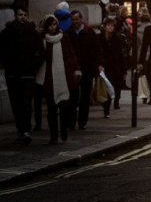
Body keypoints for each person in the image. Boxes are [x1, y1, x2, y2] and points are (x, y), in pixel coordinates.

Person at [0, 8, 43, 145]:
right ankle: (20, 129)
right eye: (20, 15)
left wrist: (33, 65)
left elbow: (41, 52)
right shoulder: (7, 33)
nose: (23, 17)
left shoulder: (33, 33)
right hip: (12, 73)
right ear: (15, 16)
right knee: (16, 103)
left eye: (25, 15)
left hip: (28, 74)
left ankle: (25, 131)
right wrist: (7, 63)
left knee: (26, 103)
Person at [35, 15, 80, 145]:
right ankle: (53, 135)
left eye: (55, 24)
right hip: (48, 77)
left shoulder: (64, 38)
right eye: (50, 25)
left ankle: (63, 128)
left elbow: (71, 53)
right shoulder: (42, 40)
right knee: (51, 109)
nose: (53, 27)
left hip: (63, 76)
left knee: (65, 106)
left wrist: (76, 69)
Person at [65, 10, 101, 131]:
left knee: (85, 97)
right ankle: (71, 121)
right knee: (73, 97)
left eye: (77, 19)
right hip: (73, 70)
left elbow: (97, 50)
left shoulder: (89, 32)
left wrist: (98, 64)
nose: (75, 22)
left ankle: (82, 122)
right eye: (73, 20)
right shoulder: (68, 33)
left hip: (87, 69)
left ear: (81, 19)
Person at [97, 17, 128, 117]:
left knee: (114, 85)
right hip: (103, 66)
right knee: (104, 87)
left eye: (112, 26)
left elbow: (121, 55)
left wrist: (124, 71)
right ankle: (106, 106)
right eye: (108, 25)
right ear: (104, 26)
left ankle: (112, 104)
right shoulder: (99, 38)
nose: (110, 27)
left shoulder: (118, 38)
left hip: (115, 66)